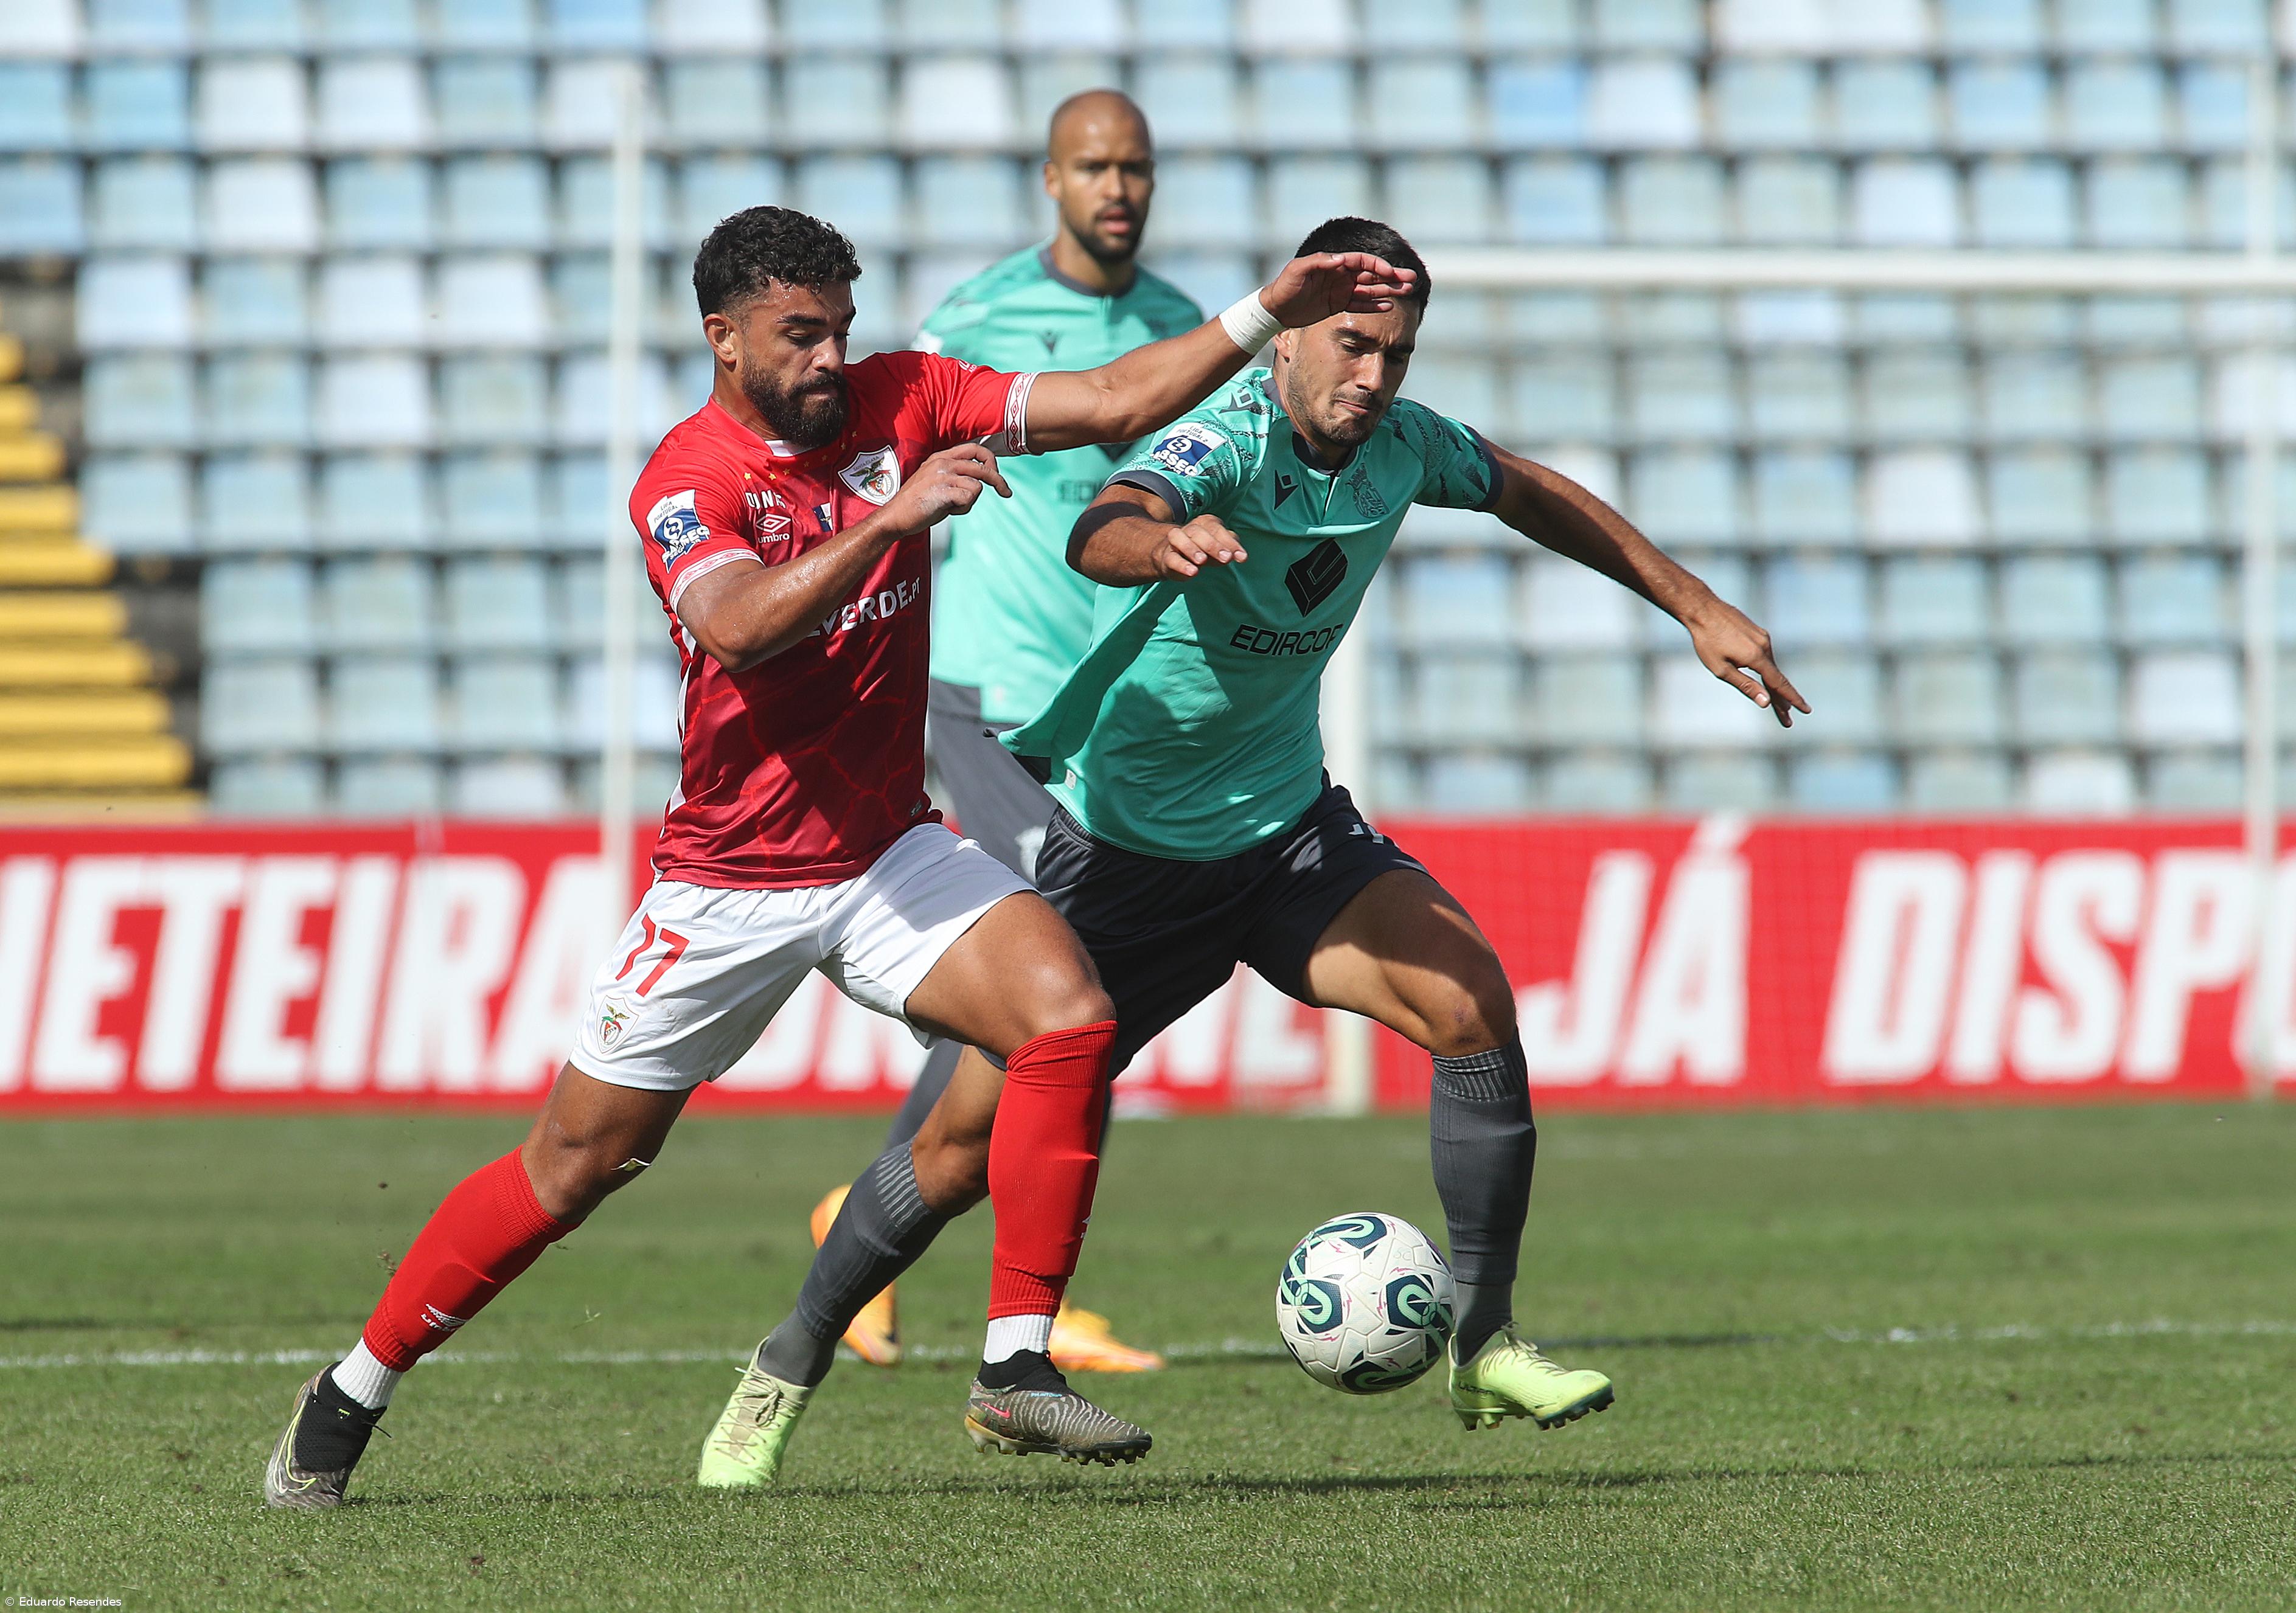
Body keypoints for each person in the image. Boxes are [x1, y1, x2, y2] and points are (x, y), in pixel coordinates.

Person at [261, 204, 1417, 1507]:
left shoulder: (905, 395)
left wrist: (1266, 309)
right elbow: (738, 626)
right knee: (576, 1167)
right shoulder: (687, 480)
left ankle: (1014, 1360)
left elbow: (1113, 401)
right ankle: (353, 1387)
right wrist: (885, 521)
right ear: (724, 338)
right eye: (799, 334)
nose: (829, 358)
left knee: (1068, 1016)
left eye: (841, 330)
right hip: (730, 882)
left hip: (885, 854)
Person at [742, 217, 1807, 1477]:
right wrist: (1162, 543)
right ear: (1289, 339)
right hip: (1128, 863)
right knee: (953, 1152)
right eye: (1352, 344)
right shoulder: (1225, 438)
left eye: (1395, 354)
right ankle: (784, 1366)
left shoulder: (1402, 447)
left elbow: (1529, 492)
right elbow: (1105, 524)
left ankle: (1485, 1343)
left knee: (1471, 1004)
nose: (1374, 376)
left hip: (1291, 842)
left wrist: (1697, 607)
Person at [806, 88, 1197, 1378]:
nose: (1117, 188)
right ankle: (906, 1238)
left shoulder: (1179, 328)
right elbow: (875, 468)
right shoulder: (976, 320)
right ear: (1051, 180)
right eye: (1093, 167)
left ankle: (1006, 1267)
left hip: (1109, 705)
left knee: (1079, 991)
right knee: (1061, 970)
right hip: (987, 689)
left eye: (1134, 167)